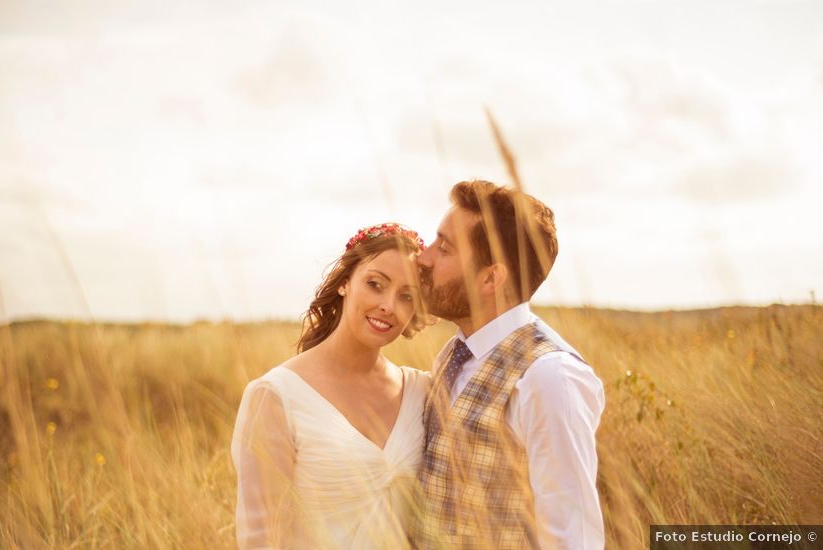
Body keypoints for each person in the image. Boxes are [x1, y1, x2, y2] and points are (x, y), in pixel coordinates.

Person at [413, 180, 605, 549]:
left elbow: (571, 534)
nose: (424, 257)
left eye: (445, 248)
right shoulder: (453, 354)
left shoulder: (550, 376)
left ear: (490, 278)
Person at [231, 223, 433, 549]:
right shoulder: (276, 395)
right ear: (344, 283)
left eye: (407, 296)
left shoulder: (421, 391)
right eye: (375, 284)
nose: (389, 305)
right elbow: (261, 536)